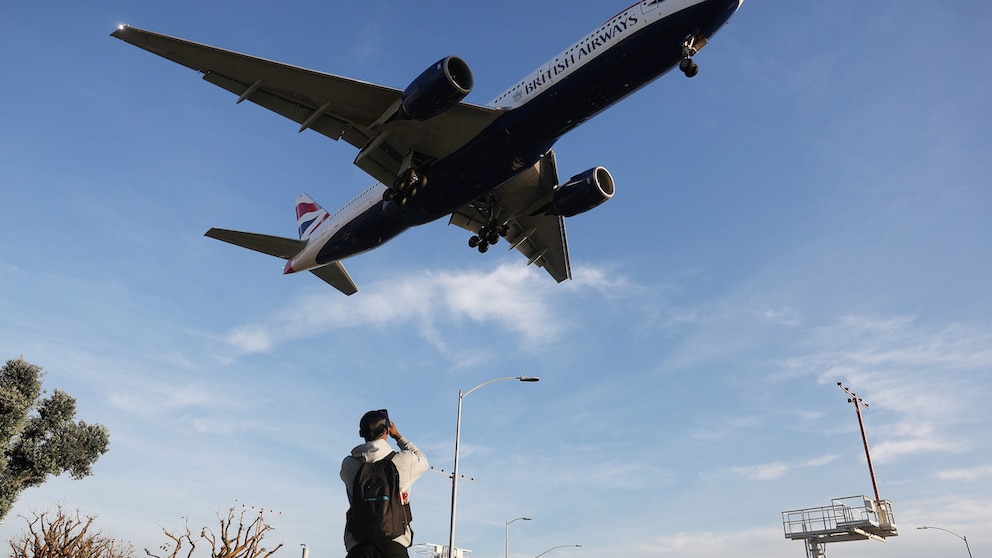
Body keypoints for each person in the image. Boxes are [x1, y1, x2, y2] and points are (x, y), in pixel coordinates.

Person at [341, 410, 428, 558]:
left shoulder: (349, 464)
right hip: (394, 546)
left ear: (362, 433)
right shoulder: (403, 460)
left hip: (358, 547)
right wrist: (398, 436)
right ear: (387, 429)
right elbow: (423, 461)